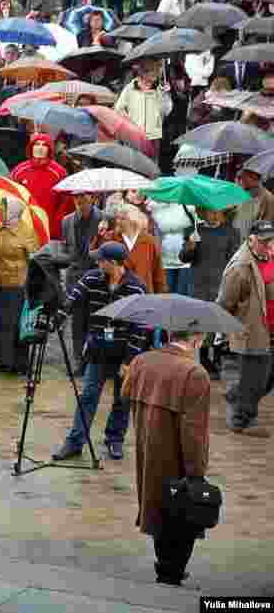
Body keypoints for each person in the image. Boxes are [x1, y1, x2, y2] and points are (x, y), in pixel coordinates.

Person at [122, 331, 210, 586]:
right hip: (178, 458)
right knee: (185, 513)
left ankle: (163, 567)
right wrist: (197, 471)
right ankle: (172, 573)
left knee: (155, 506)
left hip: (147, 451)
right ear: (195, 338)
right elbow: (195, 432)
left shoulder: (141, 361)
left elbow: (125, 394)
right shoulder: (195, 374)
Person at [54, 242, 149, 462]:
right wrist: (60, 314)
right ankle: (75, 442)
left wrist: (129, 361)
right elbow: (73, 298)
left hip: (124, 350)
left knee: (122, 399)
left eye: (101, 260)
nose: (97, 262)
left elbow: (140, 327)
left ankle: (115, 439)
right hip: (98, 348)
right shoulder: (92, 278)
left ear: (113, 263)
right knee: (87, 395)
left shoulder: (137, 288)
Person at [216, 220, 274, 438]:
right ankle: (242, 420)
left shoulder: (270, 255)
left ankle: (236, 394)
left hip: (271, 327)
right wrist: (228, 331)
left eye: (272, 240)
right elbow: (225, 303)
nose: (269, 245)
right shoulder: (240, 267)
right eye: (264, 241)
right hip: (253, 330)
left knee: (267, 377)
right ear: (251, 240)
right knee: (256, 379)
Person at [180, 208, 239, 377]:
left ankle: (218, 357)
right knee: (201, 323)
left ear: (223, 213)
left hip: (222, 283)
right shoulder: (193, 230)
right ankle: (204, 359)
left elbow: (234, 259)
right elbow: (183, 257)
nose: (212, 215)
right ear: (202, 212)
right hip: (199, 284)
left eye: (216, 212)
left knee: (220, 322)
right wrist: (190, 247)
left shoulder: (232, 232)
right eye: (209, 212)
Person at [0, 199, 37, 374]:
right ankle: (4, 360)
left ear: (14, 211)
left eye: (4, 209)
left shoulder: (26, 231)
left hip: (19, 283)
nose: (1, 212)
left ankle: (20, 363)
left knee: (17, 324)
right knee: (2, 322)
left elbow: (34, 256)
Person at [61, 192, 103, 374]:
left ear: (93, 198)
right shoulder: (67, 221)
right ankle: (79, 361)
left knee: (95, 320)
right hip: (75, 276)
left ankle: (95, 360)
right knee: (77, 322)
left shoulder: (103, 218)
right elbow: (66, 248)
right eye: (76, 197)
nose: (80, 201)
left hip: (96, 275)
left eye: (84, 197)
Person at [92, 202, 167, 294]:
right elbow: (95, 254)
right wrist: (99, 235)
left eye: (122, 218)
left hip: (144, 294)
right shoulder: (111, 238)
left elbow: (158, 273)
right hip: (118, 294)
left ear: (133, 220)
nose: (118, 221)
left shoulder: (149, 241)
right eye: (117, 218)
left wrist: (160, 295)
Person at [11, 133, 69, 242]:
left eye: (44, 145)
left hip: (48, 229)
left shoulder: (59, 172)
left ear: (49, 149)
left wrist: (55, 229)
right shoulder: (19, 170)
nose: (40, 147)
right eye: (37, 144)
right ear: (31, 147)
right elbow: (11, 197)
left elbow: (63, 203)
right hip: (23, 226)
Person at [114, 61, 172, 160]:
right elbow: (118, 109)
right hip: (134, 135)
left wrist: (165, 95)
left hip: (153, 136)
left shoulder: (159, 89)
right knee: (134, 163)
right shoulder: (130, 88)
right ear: (142, 72)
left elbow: (167, 110)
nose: (157, 74)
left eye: (158, 71)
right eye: (153, 71)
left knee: (151, 166)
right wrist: (131, 124)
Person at [232, 166, 274, 243]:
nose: (240, 181)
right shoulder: (237, 192)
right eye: (240, 178)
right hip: (233, 237)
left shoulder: (267, 198)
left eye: (243, 178)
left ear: (254, 179)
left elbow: (267, 224)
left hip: (251, 241)